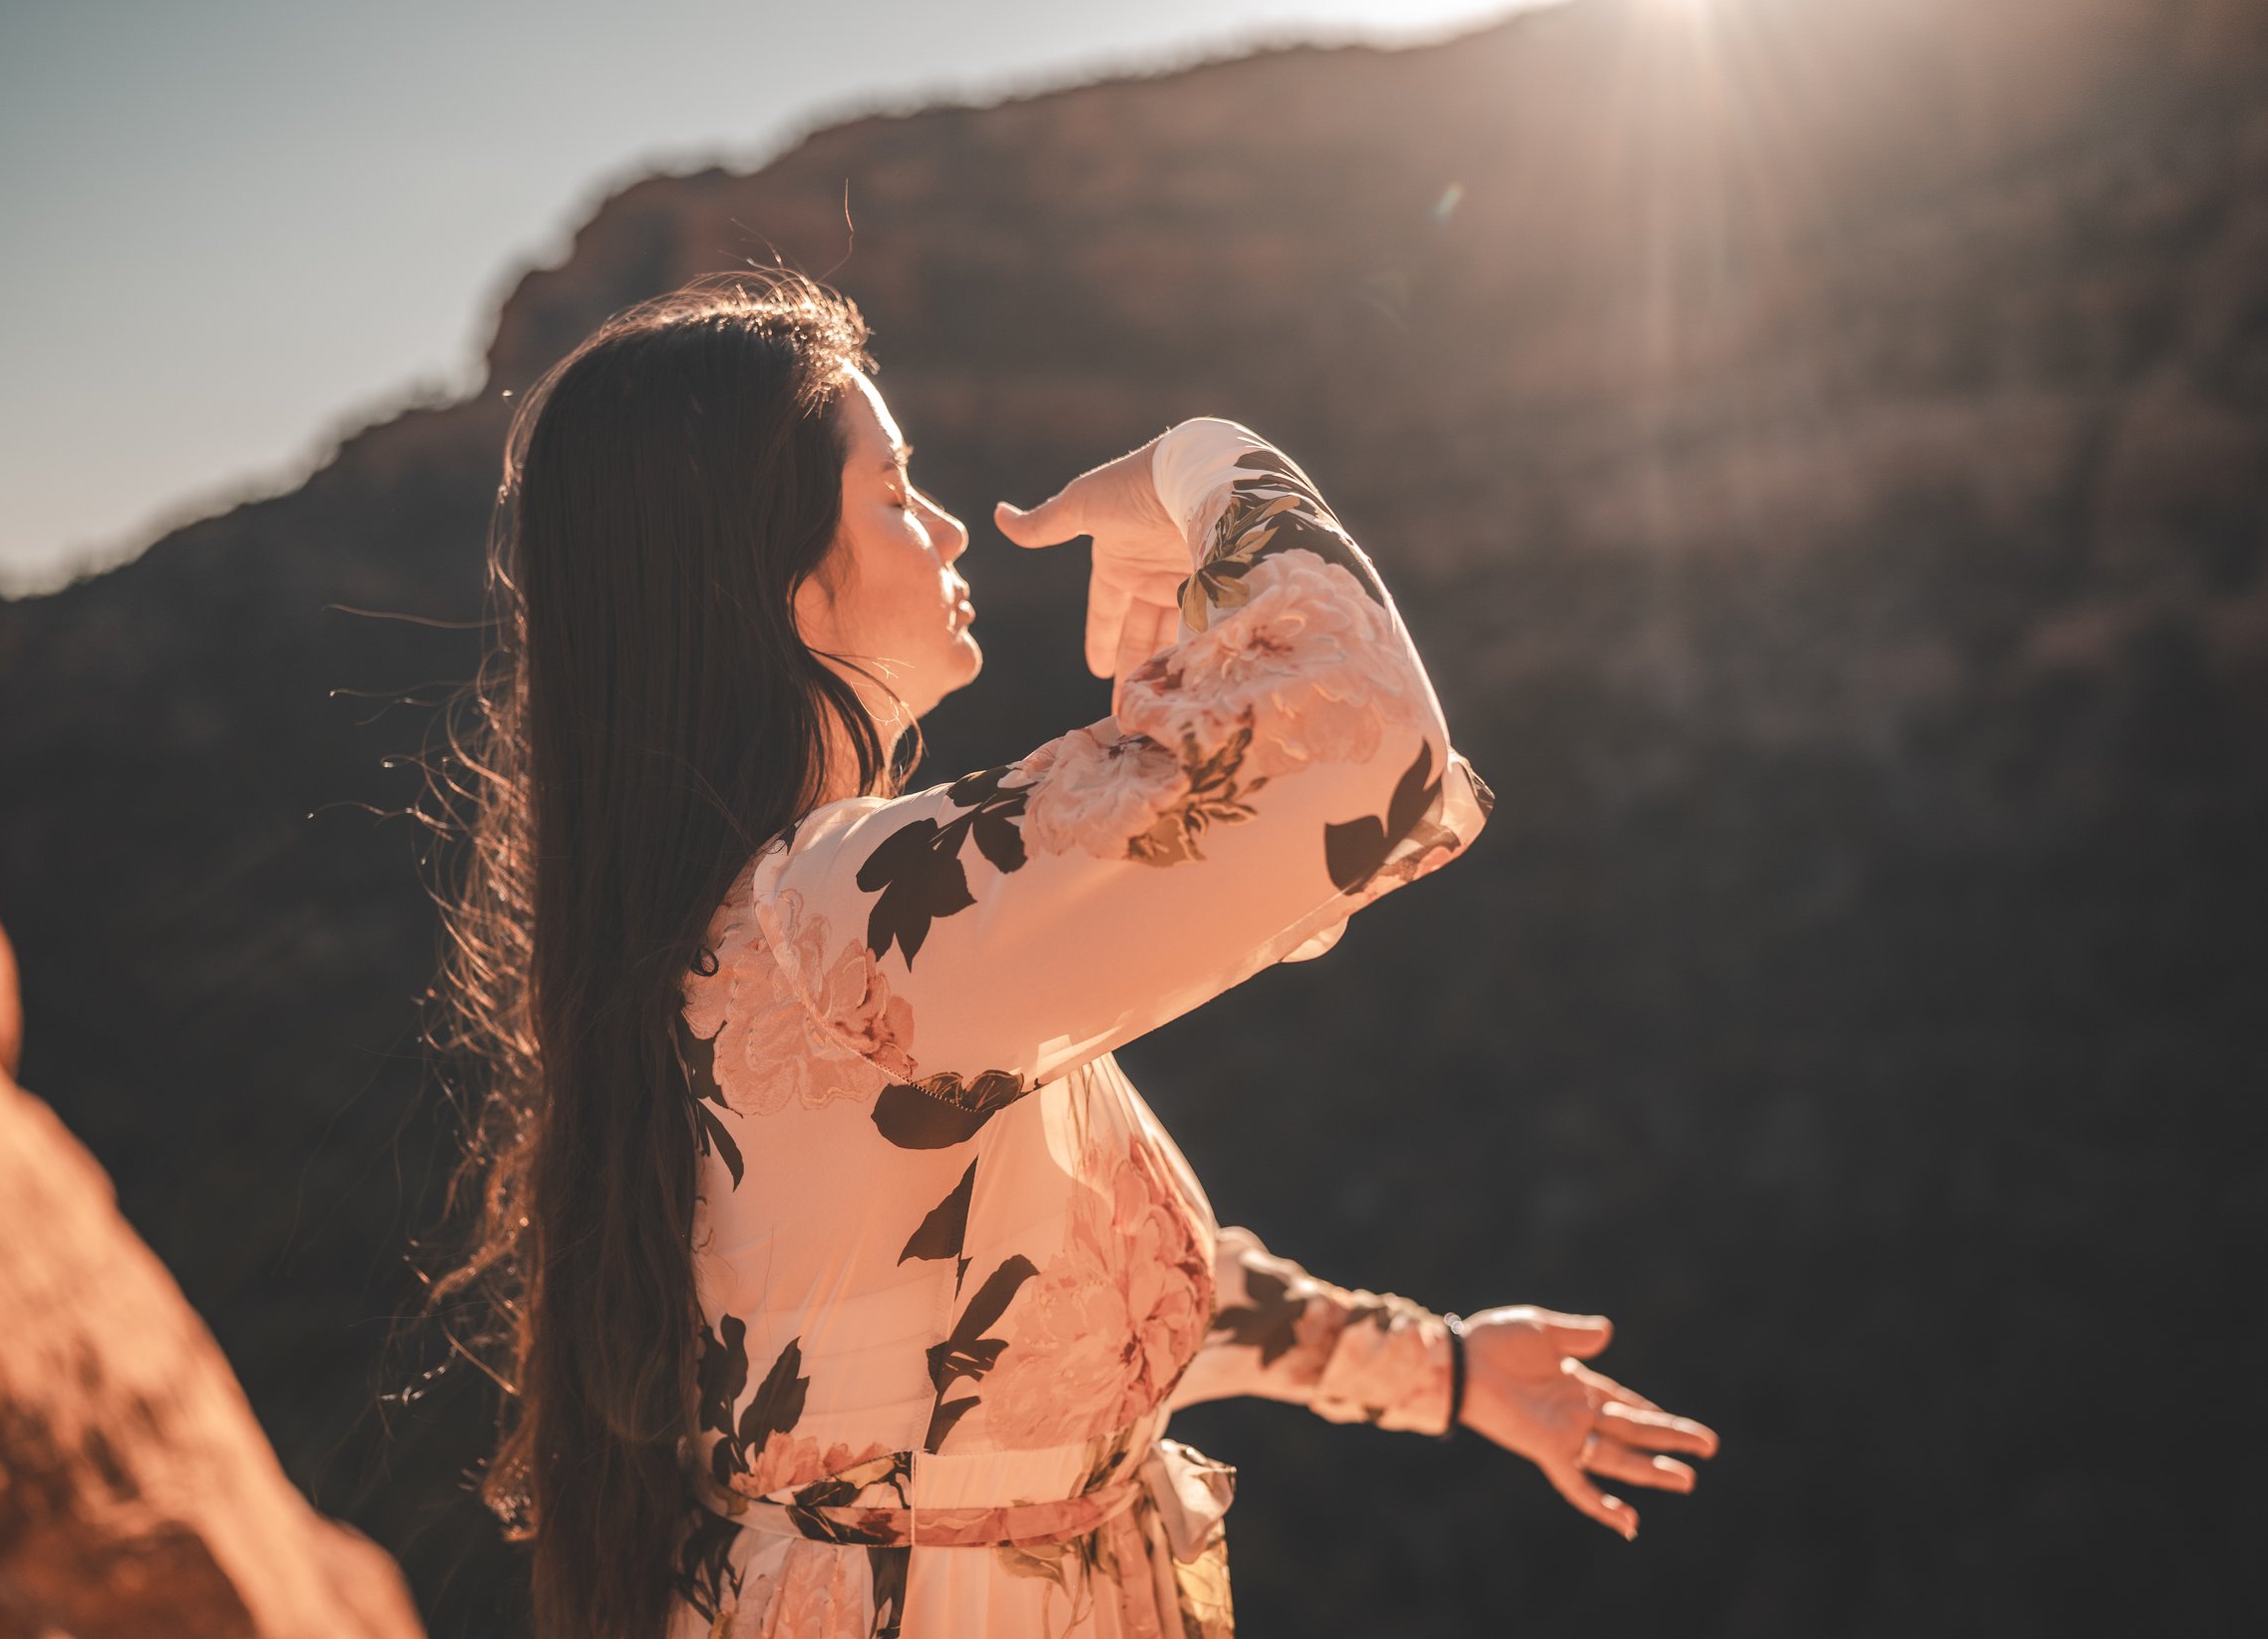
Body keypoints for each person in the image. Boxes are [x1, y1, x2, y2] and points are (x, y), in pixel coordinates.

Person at [432, 269, 1717, 1639]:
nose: (945, 528)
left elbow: (1056, 1314)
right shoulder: (844, 919)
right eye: (893, 491)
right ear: (768, 576)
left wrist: (1442, 1371)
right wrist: (1196, 466)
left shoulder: (776, 928)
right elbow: (1360, 733)